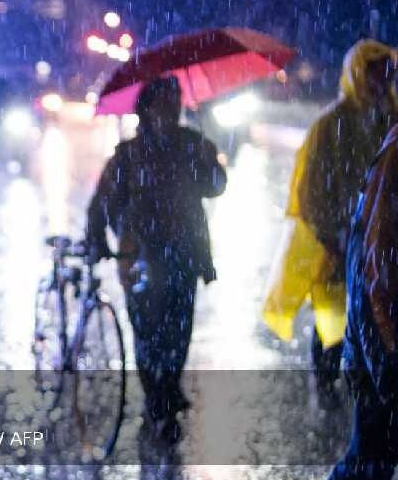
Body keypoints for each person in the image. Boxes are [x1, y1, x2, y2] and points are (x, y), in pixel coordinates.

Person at [272, 122, 398, 480]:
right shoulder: (391, 153)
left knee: (366, 468)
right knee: (366, 467)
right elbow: (378, 261)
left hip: (378, 340)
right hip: (383, 343)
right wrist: (385, 349)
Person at [85, 76, 227, 443]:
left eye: (176, 101)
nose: (172, 108)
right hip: (140, 259)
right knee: (148, 334)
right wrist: (97, 240)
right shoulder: (128, 155)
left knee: (179, 332)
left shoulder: (192, 145)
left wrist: (207, 155)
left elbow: (216, 186)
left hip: (183, 255)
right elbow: (101, 205)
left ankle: (167, 389)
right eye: (165, 102)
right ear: (147, 109)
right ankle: (158, 402)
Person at [262, 40, 398, 406]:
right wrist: (332, 237)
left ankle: (364, 387)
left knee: (374, 316)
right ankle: (326, 385)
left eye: (388, 72)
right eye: (375, 72)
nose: (383, 81)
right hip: (341, 240)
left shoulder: (392, 120)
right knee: (333, 318)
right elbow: (309, 192)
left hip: (380, 242)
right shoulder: (329, 125)